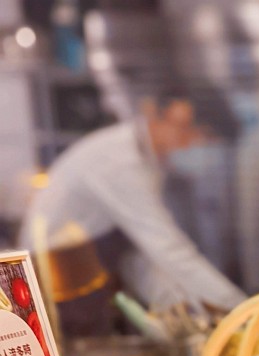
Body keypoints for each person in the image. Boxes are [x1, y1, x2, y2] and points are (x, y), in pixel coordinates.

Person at [20, 82, 246, 336]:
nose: (188, 141)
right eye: (183, 128)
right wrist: (243, 311)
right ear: (154, 113)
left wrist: (185, 312)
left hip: (92, 270)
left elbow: (141, 254)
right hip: (57, 280)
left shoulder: (146, 160)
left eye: (196, 134)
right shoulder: (119, 163)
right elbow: (168, 250)